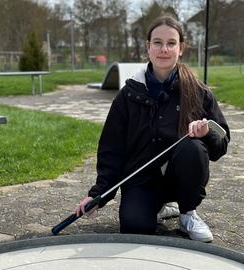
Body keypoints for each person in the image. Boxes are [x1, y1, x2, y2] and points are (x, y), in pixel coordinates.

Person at [74, 15, 230, 243]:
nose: (164, 49)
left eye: (171, 43)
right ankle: (157, 206)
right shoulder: (127, 94)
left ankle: (187, 213)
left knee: (192, 149)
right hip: (142, 179)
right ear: (148, 47)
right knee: (134, 226)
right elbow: (111, 149)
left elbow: (221, 145)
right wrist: (97, 195)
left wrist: (206, 134)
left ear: (181, 48)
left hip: (181, 177)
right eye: (157, 43)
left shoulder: (198, 91)